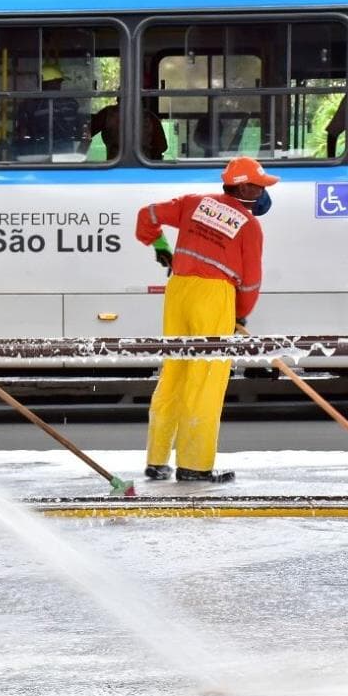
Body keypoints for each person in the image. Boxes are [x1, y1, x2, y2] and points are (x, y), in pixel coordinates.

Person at [135, 156, 277, 484]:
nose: (263, 192)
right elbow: (251, 281)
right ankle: (194, 465)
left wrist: (158, 244)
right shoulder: (249, 225)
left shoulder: (194, 203)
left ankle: (156, 460)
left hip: (179, 290)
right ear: (242, 186)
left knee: (175, 371)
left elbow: (149, 214)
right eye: (259, 186)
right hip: (214, 296)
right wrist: (239, 314)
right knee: (206, 378)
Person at [15, 63, 83, 157]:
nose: (60, 85)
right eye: (58, 82)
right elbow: (80, 131)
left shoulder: (29, 104)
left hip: (38, 152)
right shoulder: (71, 102)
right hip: (66, 152)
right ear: (49, 82)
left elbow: (22, 134)